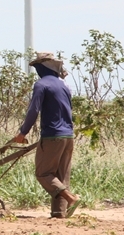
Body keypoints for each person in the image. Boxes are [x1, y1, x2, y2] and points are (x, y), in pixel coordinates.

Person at [13, 52, 80, 218]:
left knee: (43, 173)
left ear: (43, 66)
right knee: (61, 176)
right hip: (68, 136)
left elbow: (33, 110)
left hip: (52, 135)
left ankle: (71, 198)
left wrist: (23, 132)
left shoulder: (41, 85)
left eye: (37, 67)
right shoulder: (64, 85)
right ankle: (59, 213)